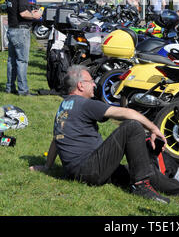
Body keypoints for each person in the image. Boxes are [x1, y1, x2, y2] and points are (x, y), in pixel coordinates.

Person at [29, 65, 170, 204]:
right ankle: (141, 186)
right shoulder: (85, 104)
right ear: (81, 85)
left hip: (78, 172)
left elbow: (57, 138)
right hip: (89, 170)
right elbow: (126, 113)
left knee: (141, 172)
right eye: (91, 81)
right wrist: (153, 128)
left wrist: (47, 167)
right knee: (132, 127)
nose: (94, 85)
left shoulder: (64, 105)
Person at [4, 0, 41, 95]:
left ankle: (9, 88)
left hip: (12, 29)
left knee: (11, 60)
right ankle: (23, 90)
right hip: (21, 30)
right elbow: (23, 13)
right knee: (22, 61)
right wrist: (35, 16)